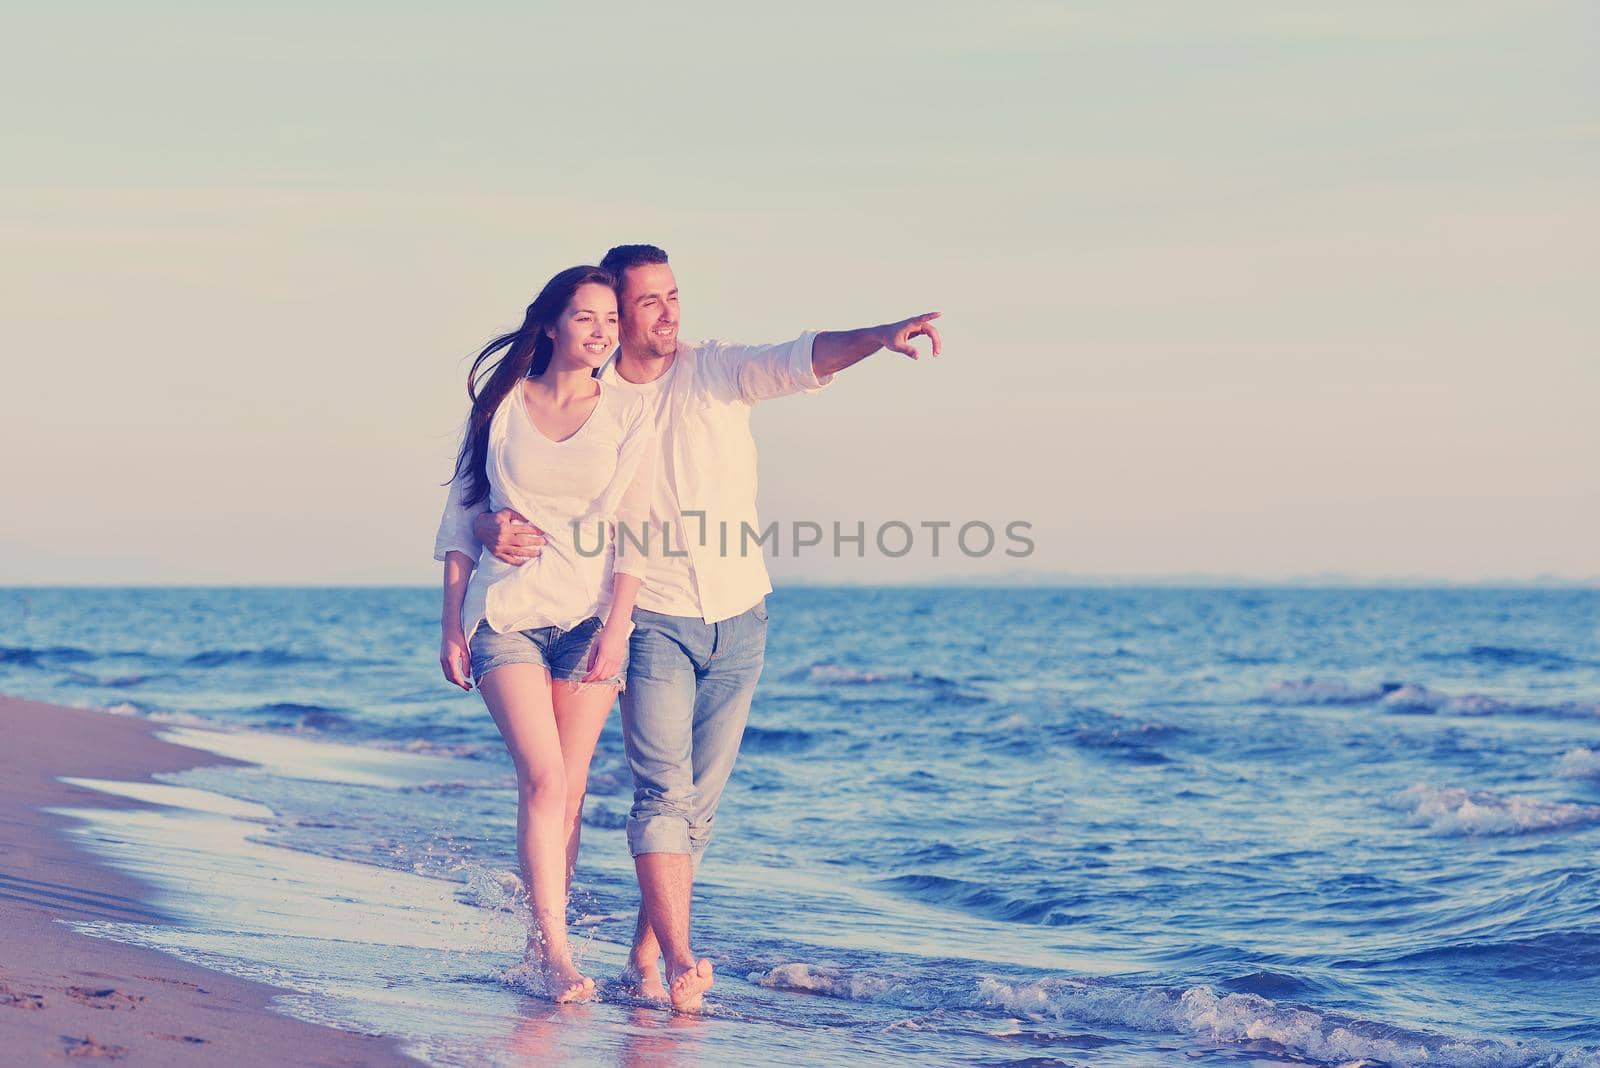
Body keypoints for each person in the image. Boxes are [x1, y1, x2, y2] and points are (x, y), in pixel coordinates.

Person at [472, 245, 940, 1012]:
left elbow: (801, 358)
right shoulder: (596, 399)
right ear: (616, 317)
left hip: (740, 609)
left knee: (697, 810)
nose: (669, 312)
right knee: (657, 792)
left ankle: (643, 956)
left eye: (673, 296)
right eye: (647, 302)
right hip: (644, 615)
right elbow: (521, 483)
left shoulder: (715, 370)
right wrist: (493, 530)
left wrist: (880, 334)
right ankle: (657, 957)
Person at [434, 265, 656, 1004]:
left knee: (570, 787)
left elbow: (638, 532)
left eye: (611, 322)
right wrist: (451, 622)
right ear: (554, 324)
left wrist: (619, 630)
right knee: (544, 778)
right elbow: (463, 515)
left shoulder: (627, 414)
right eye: (587, 318)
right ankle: (558, 952)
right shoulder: (501, 406)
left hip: (589, 620)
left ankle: (539, 939)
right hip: (508, 617)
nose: (602, 333)